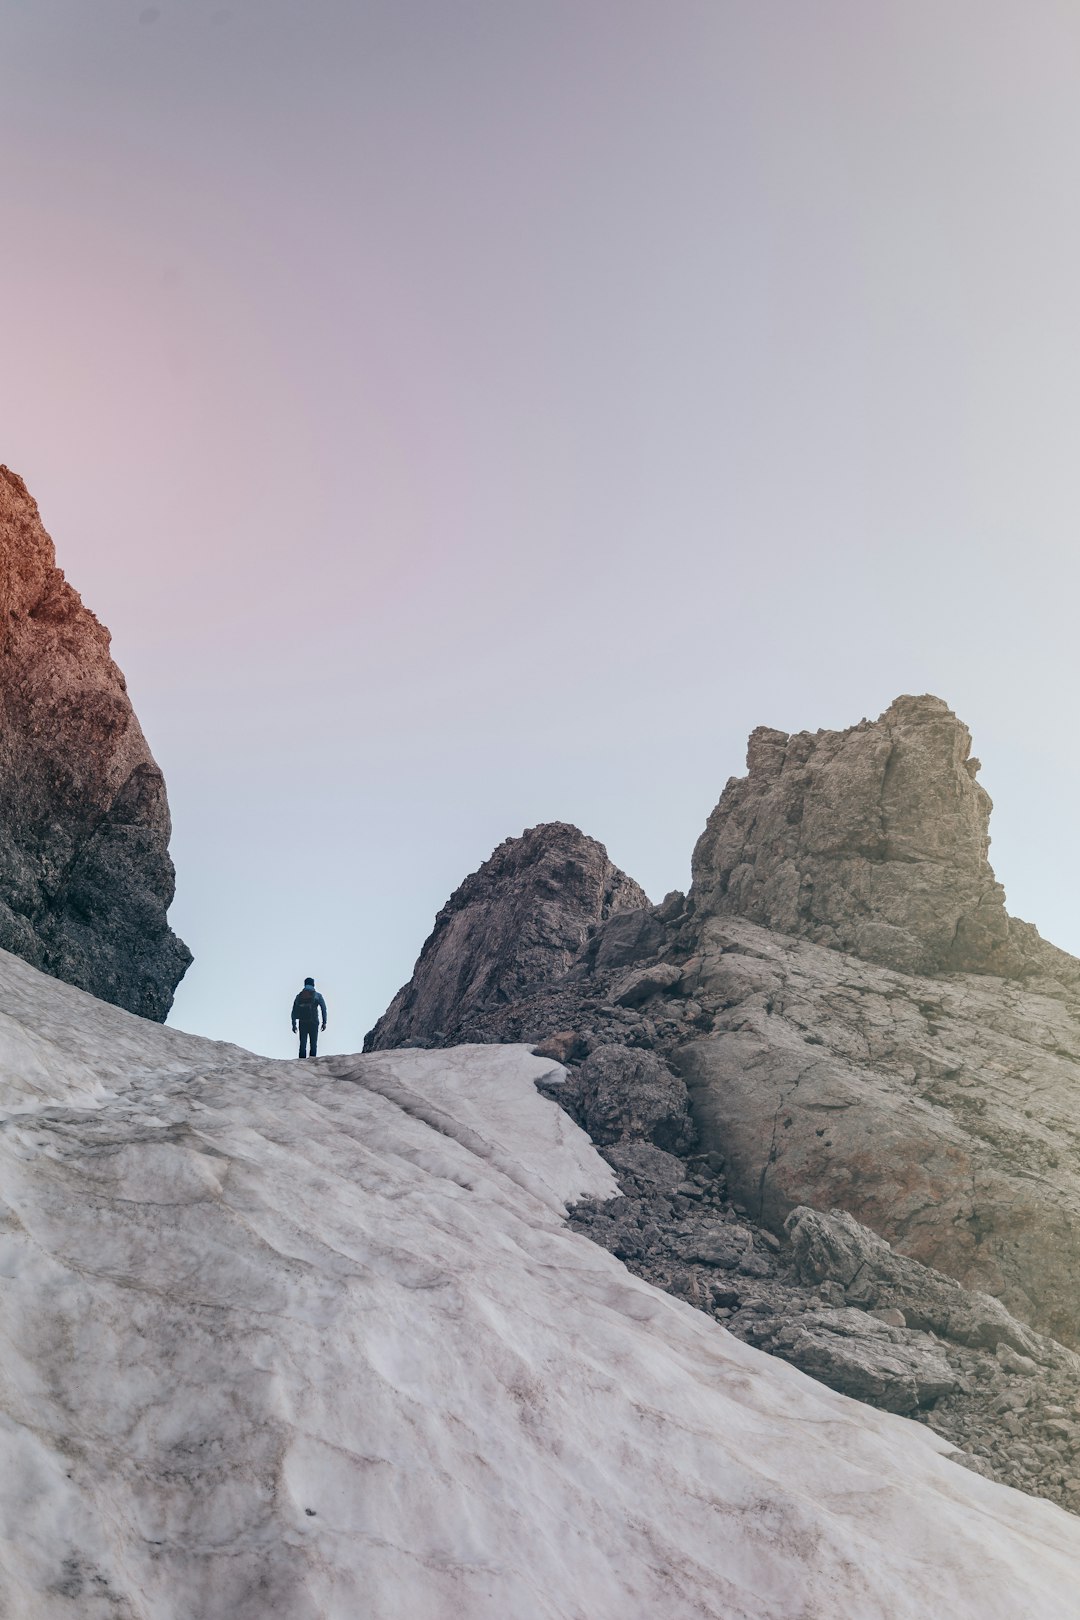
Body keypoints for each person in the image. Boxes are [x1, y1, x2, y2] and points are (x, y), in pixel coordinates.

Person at [291, 976, 327, 1058]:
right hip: (314, 1021)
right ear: (313, 984)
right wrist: (324, 1022)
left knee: (302, 1043)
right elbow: (323, 1009)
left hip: (302, 1021)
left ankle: (301, 1063)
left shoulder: (299, 996)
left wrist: (294, 1025)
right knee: (313, 1043)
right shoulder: (317, 995)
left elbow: (293, 1011)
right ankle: (312, 1063)